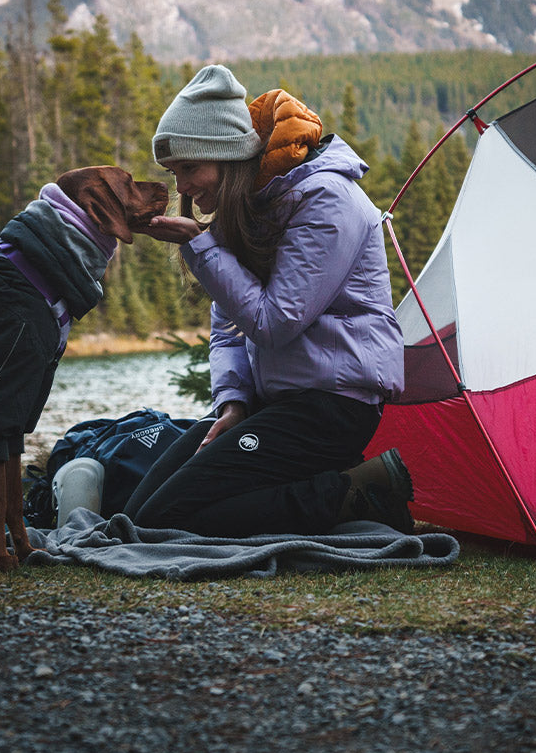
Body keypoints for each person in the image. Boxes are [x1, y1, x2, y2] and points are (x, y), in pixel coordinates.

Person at [128, 64, 414, 537]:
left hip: (333, 406)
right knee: (142, 514)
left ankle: (356, 498)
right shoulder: (253, 207)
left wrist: (199, 245)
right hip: (272, 403)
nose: (181, 187)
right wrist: (234, 403)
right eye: (173, 173)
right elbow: (228, 329)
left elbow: (275, 322)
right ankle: (329, 489)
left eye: (188, 169)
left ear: (224, 155)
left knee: (168, 518)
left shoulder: (327, 200)